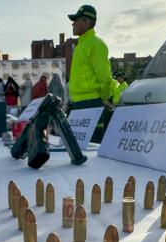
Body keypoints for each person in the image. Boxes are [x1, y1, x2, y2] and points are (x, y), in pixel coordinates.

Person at [67, 5, 114, 143]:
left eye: (76, 20)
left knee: (92, 147)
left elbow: (105, 77)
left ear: (86, 22)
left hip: (91, 103)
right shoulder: (81, 45)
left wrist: (103, 98)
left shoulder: (95, 44)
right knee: (79, 146)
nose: (73, 23)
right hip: (79, 103)